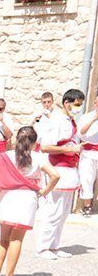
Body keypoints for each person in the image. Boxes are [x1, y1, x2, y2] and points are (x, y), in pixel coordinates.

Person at [0, 126, 60, 276]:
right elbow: (55, 175)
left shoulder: (6, 156)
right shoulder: (38, 158)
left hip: (7, 197)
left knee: (3, 239)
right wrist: (45, 191)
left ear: (17, 139)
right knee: (16, 239)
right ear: (34, 142)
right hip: (26, 199)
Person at [37, 88, 85, 260]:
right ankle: (43, 247)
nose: (79, 108)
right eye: (77, 104)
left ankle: (54, 246)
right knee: (54, 210)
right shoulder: (57, 120)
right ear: (67, 103)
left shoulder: (70, 121)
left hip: (69, 168)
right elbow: (45, 146)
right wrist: (69, 149)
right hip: (58, 168)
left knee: (64, 212)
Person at [75, 101, 98, 217]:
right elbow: (80, 133)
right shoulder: (86, 117)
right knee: (86, 179)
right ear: (95, 104)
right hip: (89, 152)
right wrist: (94, 119)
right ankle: (87, 206)